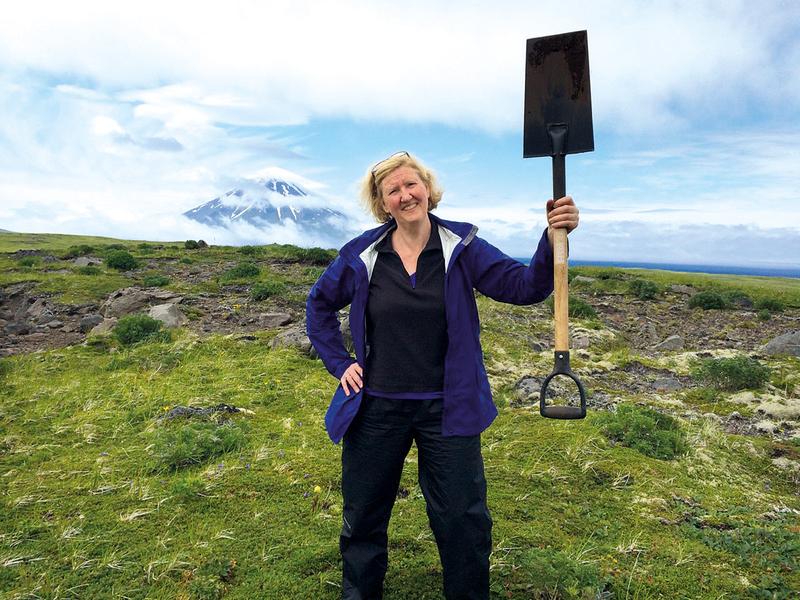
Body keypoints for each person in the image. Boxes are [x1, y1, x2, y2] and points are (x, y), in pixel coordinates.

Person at [306, 151, 579, 599]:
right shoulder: (362, 255)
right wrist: (341, 363)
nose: (404, 195)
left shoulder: (462, 247)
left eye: (411, 184)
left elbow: (526, 287)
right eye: (392, 190)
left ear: (428, 190)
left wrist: (551, 238)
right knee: (364, 513)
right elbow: (317, 307)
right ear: (383, 204)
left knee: (463, 519)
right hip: (377, 407)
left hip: (448, 408)